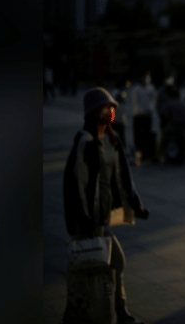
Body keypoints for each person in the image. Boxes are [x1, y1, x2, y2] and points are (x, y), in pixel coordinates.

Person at [62, 87, 150, 324]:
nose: (110, 111)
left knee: (110, 264)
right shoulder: (86, 141)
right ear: (92, 112)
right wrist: (85, 221)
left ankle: (119, 313)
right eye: (105, 108)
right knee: (90, 271)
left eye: (112, 107)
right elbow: (77, 184)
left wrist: (135, 205)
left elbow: (122, 176)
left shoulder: (110, 139)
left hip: (101, 218)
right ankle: (94, 314)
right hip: (88, 221)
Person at [132, 72, 157, 162]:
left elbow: (152, 101)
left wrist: (148, 111)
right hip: (138, 115)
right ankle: (139, 151)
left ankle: (146, 153)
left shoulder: (151, 88)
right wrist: (140, 111)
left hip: (147, 115)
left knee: (147, 134)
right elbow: (136, 102)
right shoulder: (136, 89)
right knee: (138, 135)